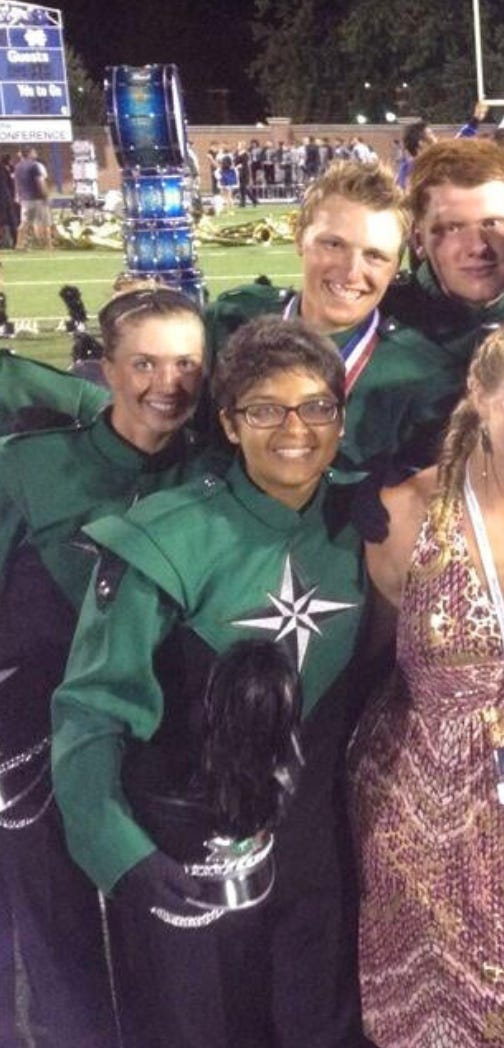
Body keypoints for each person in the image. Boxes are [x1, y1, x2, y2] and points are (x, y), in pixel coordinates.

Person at [51, 317, 369, 1046]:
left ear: (341, 416)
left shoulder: (368, 519)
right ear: (228, 422)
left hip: (322, 858)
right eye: (266, 410)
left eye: (317, 406)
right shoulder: (165, 539)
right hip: (192, 853)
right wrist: (122, 854)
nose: (296, 429)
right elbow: (92, 712)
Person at [350, 319, 504, 1046]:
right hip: (422, 796)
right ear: (481, 396)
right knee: (436, 1009)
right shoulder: (407, 513)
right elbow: (368, 656)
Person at [0, 288, 208, 1047]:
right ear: (107, 368)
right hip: (38, 738)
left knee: (166, 937)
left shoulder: (218, 469)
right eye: (144, 363)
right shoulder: (29, 464)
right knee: (57, 936)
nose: (167, 383)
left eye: (186, 364)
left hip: (168, 738)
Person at [205, 159, 456, 470]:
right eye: (334, 244)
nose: (351, 272)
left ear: (395, 268)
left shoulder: (424, 375)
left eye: (375, 255)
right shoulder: (227, 324)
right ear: (299, 237)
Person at [383, 138, 504, 369]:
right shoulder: (373, 329)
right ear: (418, 240)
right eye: (453, 228)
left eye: (492, 223)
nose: (477, 247)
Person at [14, 147, 52, 251]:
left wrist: (18, 195)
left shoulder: (18, 166)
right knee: (44, 222)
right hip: (37, 198)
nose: (36, 153)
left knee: (24, 222)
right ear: (29, 153)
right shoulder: (35, 166)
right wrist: (46, 195)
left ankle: (19, 244)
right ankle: (48, 245)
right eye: (34, 152)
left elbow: (17, 183)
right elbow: (40, 182)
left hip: (25, 199)